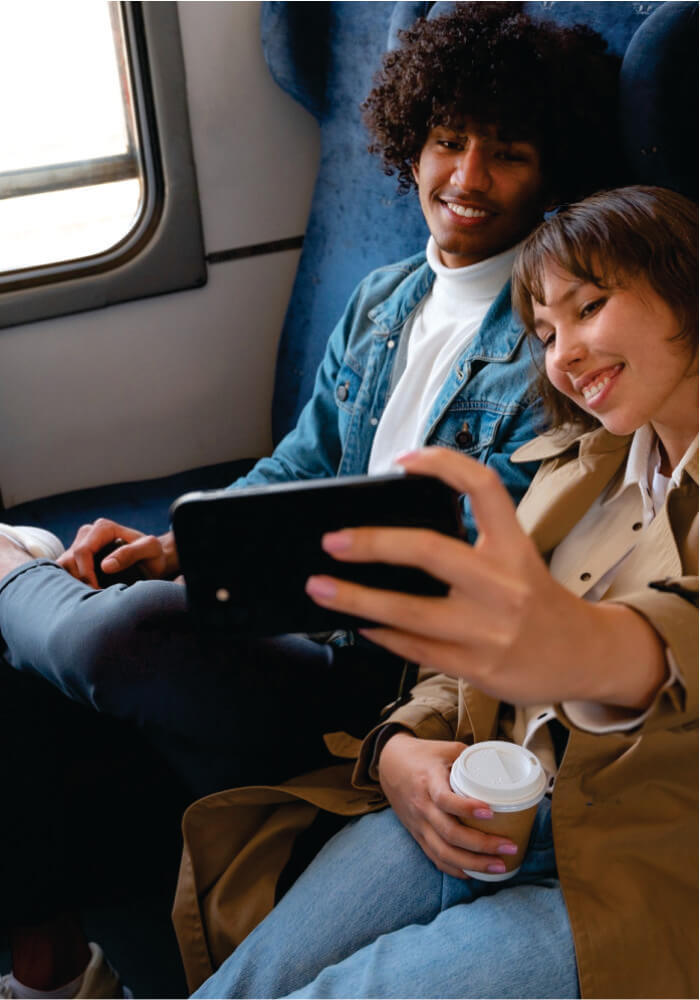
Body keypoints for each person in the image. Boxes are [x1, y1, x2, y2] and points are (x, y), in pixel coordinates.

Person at [0, 6, 622, 998]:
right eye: (447, 141)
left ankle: (11, 571)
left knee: (121, 636)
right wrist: (176, 543)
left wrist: (217, 576)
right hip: (296, 606)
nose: (465, 179)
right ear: (409, 141)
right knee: (47, 663)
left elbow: (478, 560)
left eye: (505, 153)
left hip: (379, 663)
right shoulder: (382, 298)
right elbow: (294, 471)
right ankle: (55, 974)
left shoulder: (551, 344)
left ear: (551, 170)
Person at [189, 185, 698, 1000]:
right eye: (546, 331)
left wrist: (590, 652)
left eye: (590, 306)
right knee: (250, 982)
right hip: (483, 798)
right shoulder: (577, 467)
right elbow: (474, 654)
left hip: (635, 871)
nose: (564, 354)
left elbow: (672, 639)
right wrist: (399, 752)